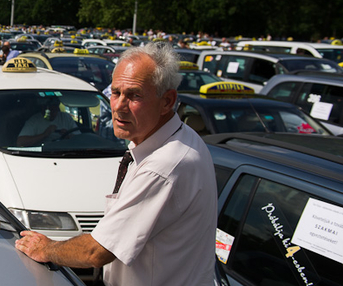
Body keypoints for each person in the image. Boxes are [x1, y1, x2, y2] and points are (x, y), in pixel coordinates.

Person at [15, 42, 216, 286]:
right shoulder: (178, 139)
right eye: (116, 92)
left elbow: (96, 252)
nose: (119, 106)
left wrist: (46, 249)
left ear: (167, 101)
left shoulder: (164, 166)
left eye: (134, 96)